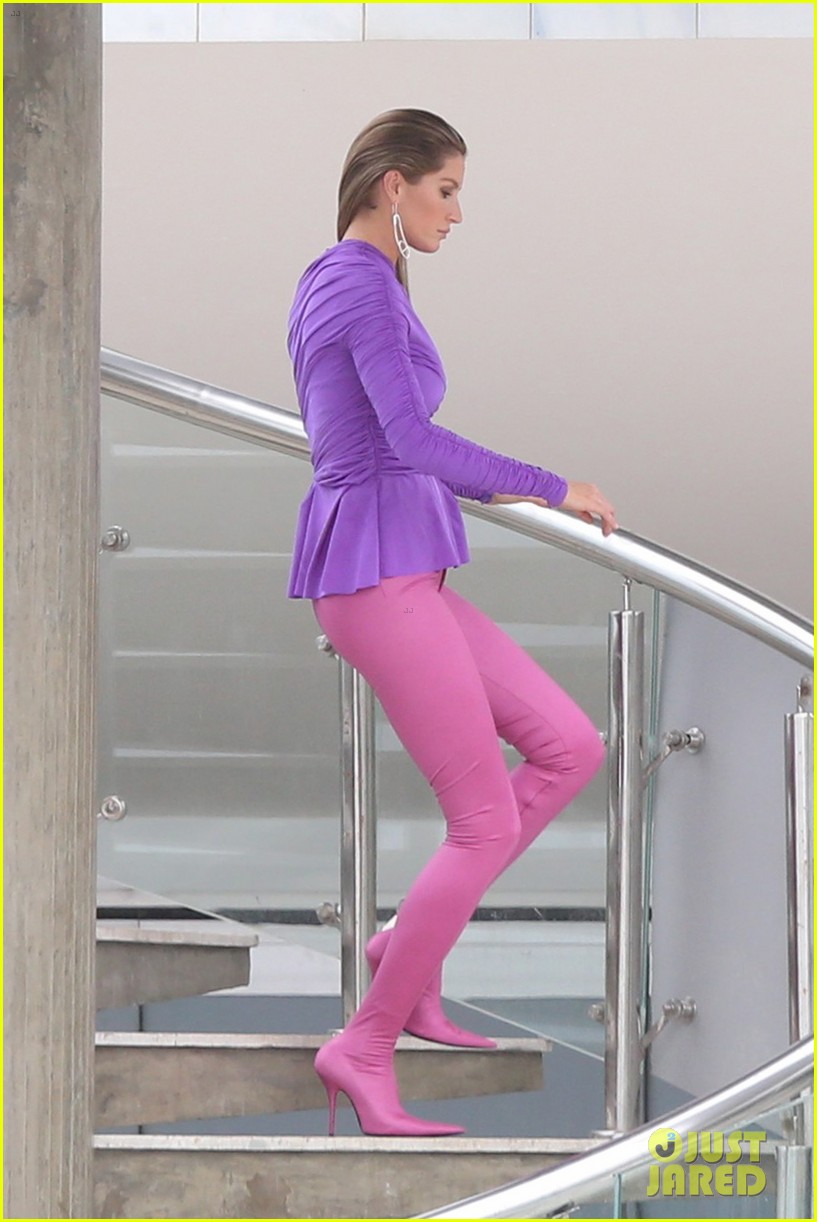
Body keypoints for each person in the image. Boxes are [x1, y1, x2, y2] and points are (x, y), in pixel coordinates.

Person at [286, 108, 618, 1137]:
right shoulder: (357, 283)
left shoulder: (354, 280)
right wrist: (553, 485)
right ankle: (364, 1043)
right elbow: (413, 441)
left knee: (569, 745)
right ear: (393, 185)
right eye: (445, 190)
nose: (456, 213)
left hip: (403, 572)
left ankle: (409, 951)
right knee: (481, 822)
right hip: (375, 576)